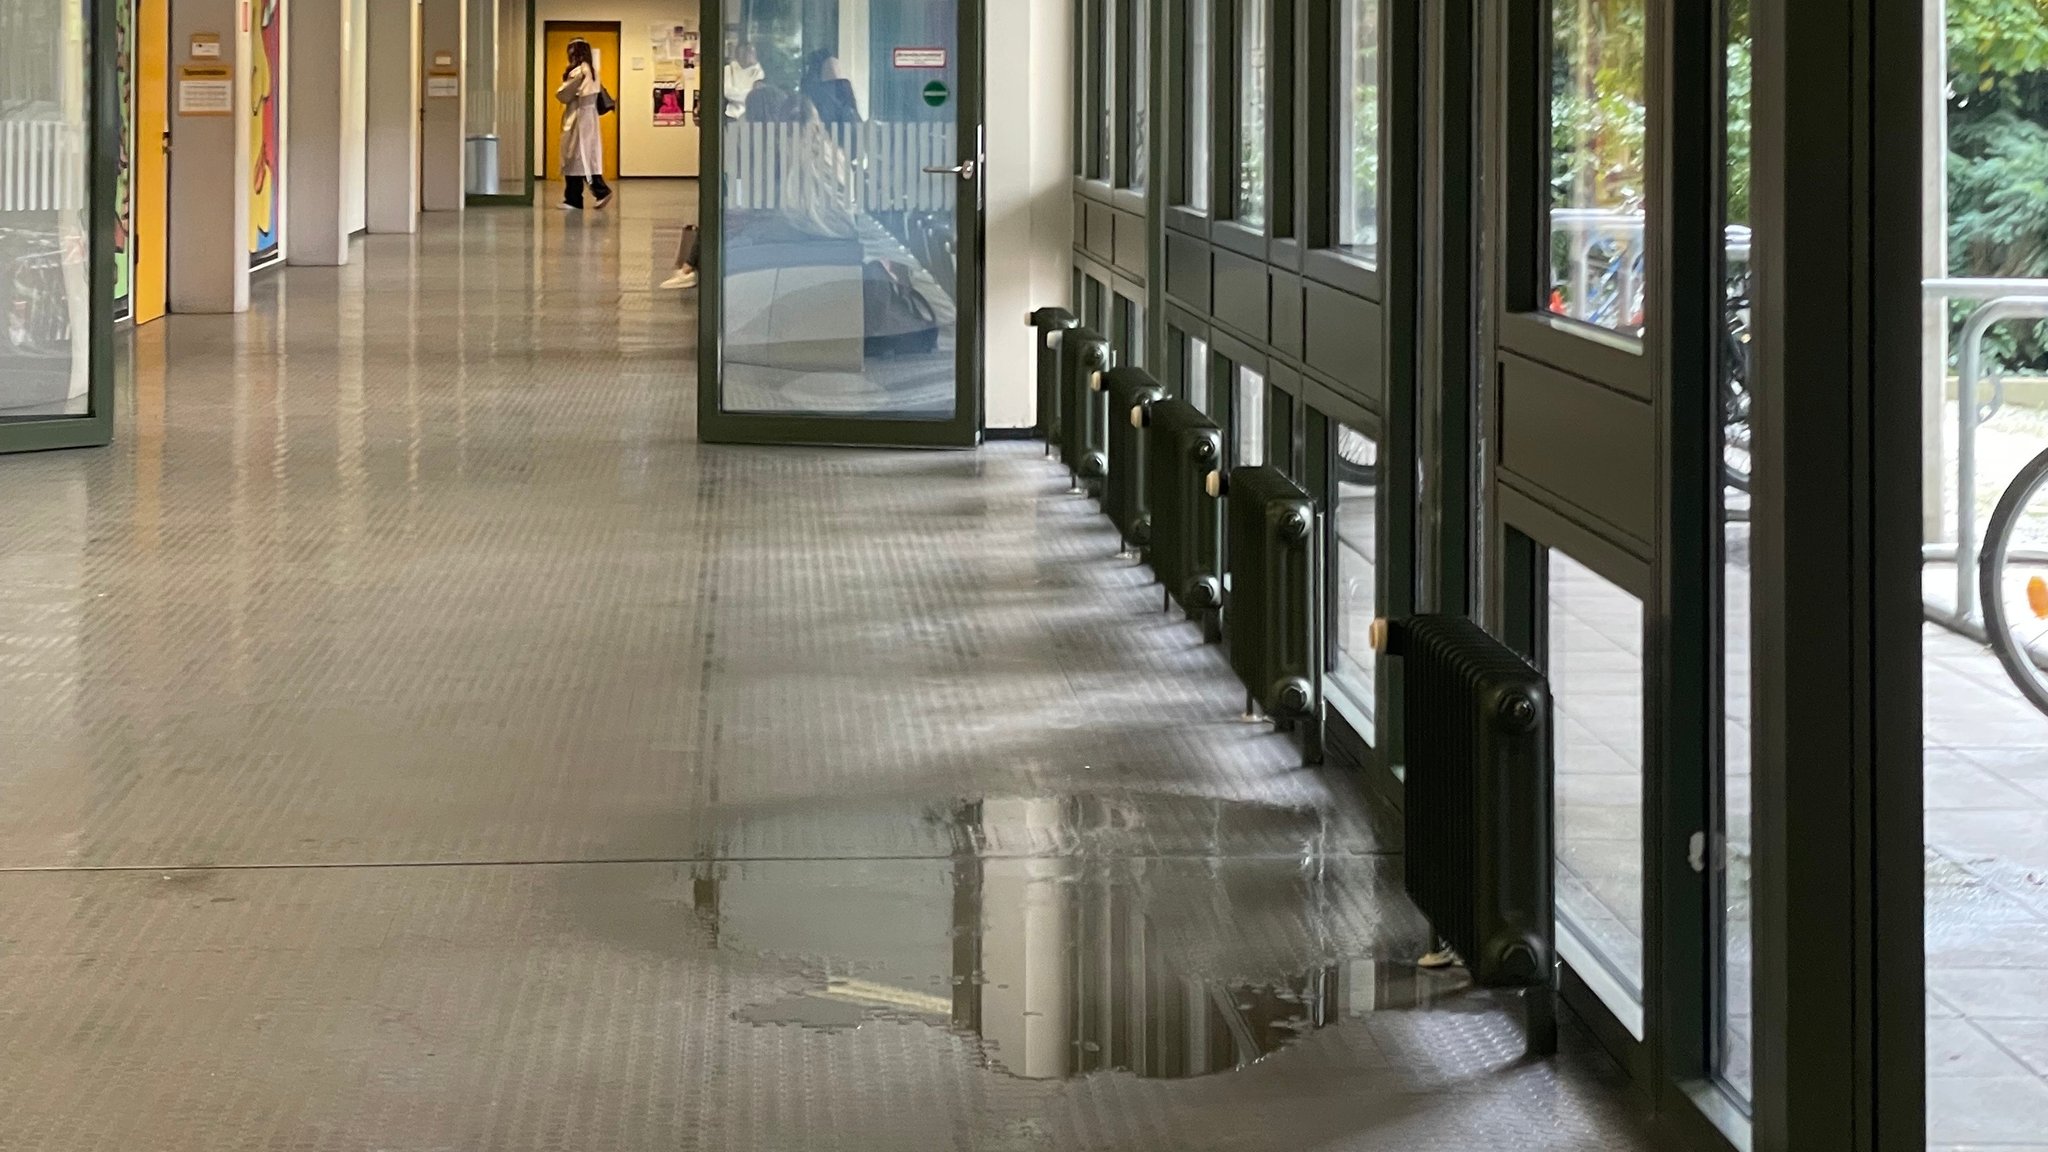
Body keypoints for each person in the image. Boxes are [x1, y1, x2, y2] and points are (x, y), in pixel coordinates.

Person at [555, 39, 612, 210]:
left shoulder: (579, 72)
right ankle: (579, 196)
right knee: (585, 157)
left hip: (578, 117)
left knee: (574, 157)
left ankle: (581, 196)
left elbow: (562, 94)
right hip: (589, 117)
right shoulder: (593, 71)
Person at [800, 52, 861, 125]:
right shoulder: (810, 102)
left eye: (838, 70)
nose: (836, 77)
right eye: (829, 71)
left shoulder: (846, 104)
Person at [723, 41, 765, 121]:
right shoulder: (728, 69)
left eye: (750, 52)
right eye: (742, 54)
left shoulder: (759, 71)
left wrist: (736, 94)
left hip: (752, 116)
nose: (747, 56)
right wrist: (749, 94)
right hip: (731, 115)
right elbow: (726, 91)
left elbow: (756, 96)